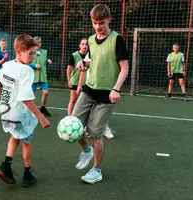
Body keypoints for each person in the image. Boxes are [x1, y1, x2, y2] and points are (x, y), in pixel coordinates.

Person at [73, 4, 129, 184]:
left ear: (109, 20)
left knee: (95, 133)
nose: (98, 26)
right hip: (89, 90)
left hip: (106, 96)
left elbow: (124, 68)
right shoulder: (90, 40)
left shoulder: (117, 39)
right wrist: (83, 64)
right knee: (73, 125)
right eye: (95, 23)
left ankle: (96, 171)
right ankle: (86, 151)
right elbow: (91, 60)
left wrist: (116, 89)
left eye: (102, 23)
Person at [0, 34, 50, 187]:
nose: (33, 57)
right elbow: (26, 98)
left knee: (15, 136)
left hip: (6, 111)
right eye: (31, 53)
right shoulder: (26, 71)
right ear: (19, 52)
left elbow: (0, 78)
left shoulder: (8, 65)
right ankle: (27, 174)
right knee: (27, 141)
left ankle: (6, 165)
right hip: (20, 114)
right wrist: (40, 116)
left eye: (35, 53)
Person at [30, 36, 52, 117]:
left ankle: (43, 108)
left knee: (46, 92)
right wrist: (34, 65)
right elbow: (26, 63)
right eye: (35, 43)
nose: (36, 45)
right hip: (33, 76)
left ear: (40, 44)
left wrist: (47, 60)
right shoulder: (30, 52)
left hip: (42, 76)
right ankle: (31, 110)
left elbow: (44, 59)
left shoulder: (44, 52)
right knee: (32, 94)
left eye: (38, 43)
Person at [66, 38, 88, 116]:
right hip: (75, 81)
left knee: (85, 102)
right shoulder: (74, 55)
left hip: (87, 83)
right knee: (73, 99)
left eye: (86, 44)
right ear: (80, 46)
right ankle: (69, 117)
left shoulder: (90, 56)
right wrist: (69, 80)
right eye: (83, 44)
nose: (85, 46)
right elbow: (69, 68)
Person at [0, 38, 9, 106]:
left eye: (5, 44)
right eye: (2, 44)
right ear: (0, 45)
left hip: (7, 72)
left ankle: (5, 100)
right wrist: (4, 58)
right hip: (0, 72)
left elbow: (8, 63)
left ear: (6, 45)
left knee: (7, 86)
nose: (3, 45)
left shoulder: (8, 52)